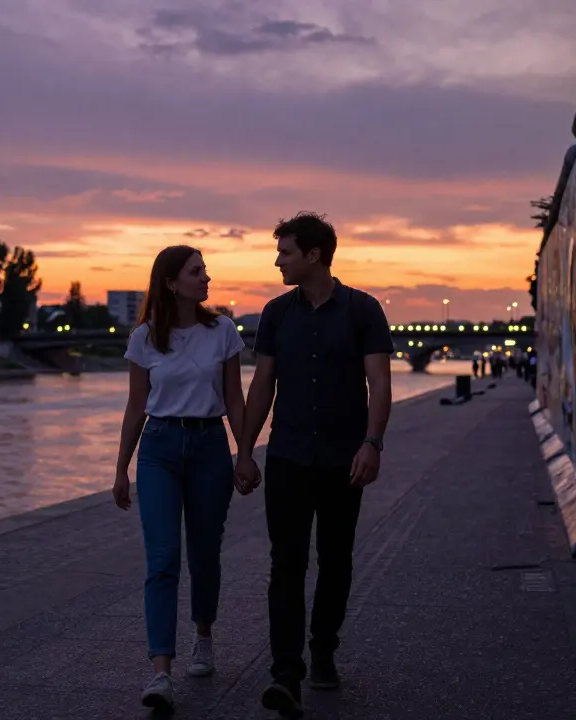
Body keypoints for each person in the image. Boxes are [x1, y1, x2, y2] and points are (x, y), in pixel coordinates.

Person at [235, 212, 394, 717]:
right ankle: (287, 673)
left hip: (344, 459)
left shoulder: (363, 310)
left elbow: (380, 384)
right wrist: (244, 450)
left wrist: (372, 443)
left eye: (285, 252)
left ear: (314, 255)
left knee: (336, 560)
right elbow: (262, 386)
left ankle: (323, 647)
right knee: (286, 566)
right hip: (287, 457)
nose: (277, 260)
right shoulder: (277, 314)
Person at [113, 245, 247, 712]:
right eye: (196, 271)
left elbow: (234, 397)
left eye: (205, 270)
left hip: (210, 447)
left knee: (204, 554)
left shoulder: (223, 330)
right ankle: (160, 673)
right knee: (163, 558)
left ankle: (203, 636)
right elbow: (135, 407)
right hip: (159, 451)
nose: (205, 278)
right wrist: (121, 468)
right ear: (171, 282)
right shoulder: (145, 337)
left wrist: (245, 452)